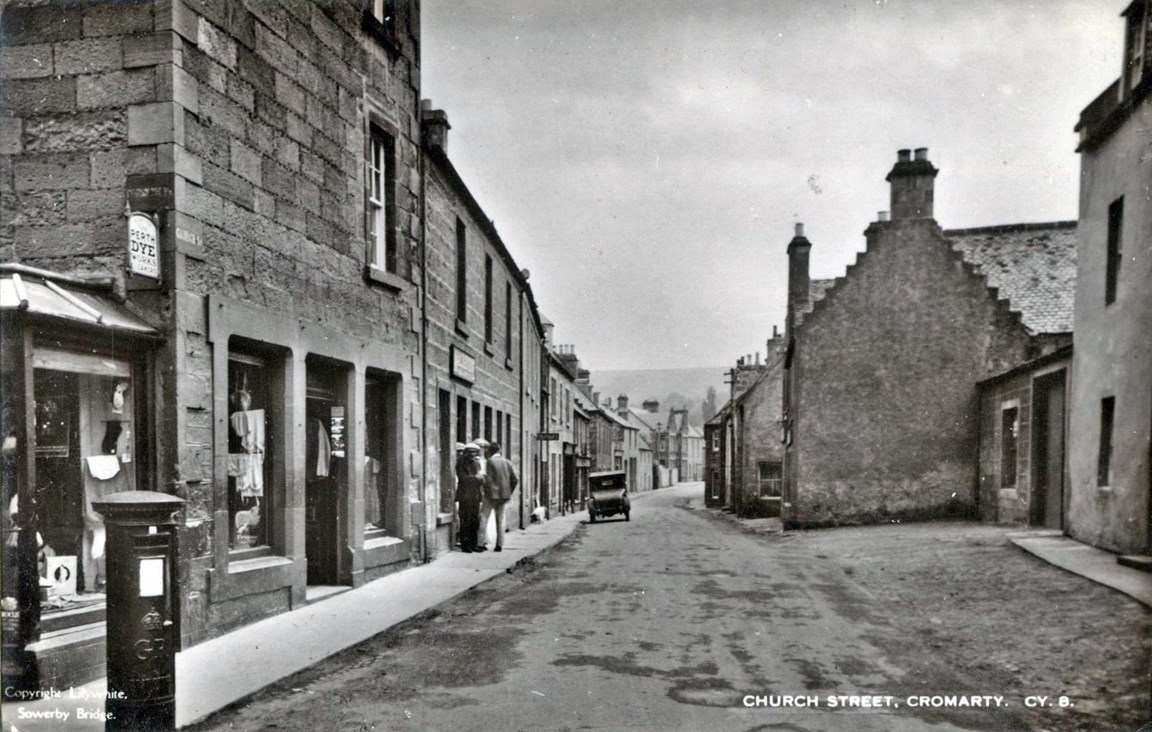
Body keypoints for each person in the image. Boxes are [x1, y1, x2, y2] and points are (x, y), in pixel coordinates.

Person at [482, 442, 518, 552]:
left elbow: (488, 480)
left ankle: (480, 543)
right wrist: (508, 492)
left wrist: (486, 491)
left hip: (490, 496)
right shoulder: (507, 462)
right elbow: (515, 480)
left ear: (490, 451)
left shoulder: (490, 462)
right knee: (500, 520)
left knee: (483, 518)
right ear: (500, 450)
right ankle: (499, 545)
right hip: (504, 496)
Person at [455, 444, 484, 553]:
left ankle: (473, 544)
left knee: (474, 520)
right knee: (465, 520)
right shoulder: (461, 463)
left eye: (474, 452)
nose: (472, 455)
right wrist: (476, 478)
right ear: (466, 453)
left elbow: (481, 479)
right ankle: (465, 545)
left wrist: (481, 479)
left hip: (475, 495)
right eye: (470, 452)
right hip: (465, 495)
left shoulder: (477, 464)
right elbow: (462, 478)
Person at [473, 438, 491, 551]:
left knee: (483, 518)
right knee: (478, 517)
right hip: (477, 490)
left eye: (483, 448)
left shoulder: (484, 461)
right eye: (480, 447)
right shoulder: (476, 461)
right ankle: (478, 541)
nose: (482, 450)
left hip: (484, 491)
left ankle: (482, 540)